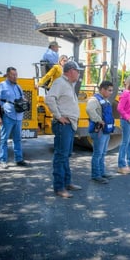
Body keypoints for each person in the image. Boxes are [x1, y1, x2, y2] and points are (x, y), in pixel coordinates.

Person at [45, 61, 83, 198]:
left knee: (66, 156)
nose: (79, 73)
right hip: (63, 125)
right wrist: (59, 116)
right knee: (61, 156)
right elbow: (49, 99)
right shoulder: (60, 82)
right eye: (78, 71)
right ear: (71, 70)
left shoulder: (68, 84)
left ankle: (67, 183)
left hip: (69, 125)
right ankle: (59, 187)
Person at [0, 67, 29, 169]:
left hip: (18, 116)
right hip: (7, 116)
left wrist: (25, 101)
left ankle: (19, 159)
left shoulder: (18, 87)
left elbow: (22, 98)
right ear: (8, 75)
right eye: (13, 75)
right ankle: (3, 161)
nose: (15, 77)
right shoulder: (0, 86)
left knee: (17, 139)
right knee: (4, 139)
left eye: (16, 75)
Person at [86, 80, 115, 184]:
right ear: (102, 89)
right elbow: (89, 110)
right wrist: (99, 120)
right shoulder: (94, 100)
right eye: (109, 90)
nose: (111, 92)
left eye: (112, 90)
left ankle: (102, 173)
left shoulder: (105, 100)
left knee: (102, 153)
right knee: (98, 153)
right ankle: (96, 175)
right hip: (98, 130)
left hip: (105, 131)